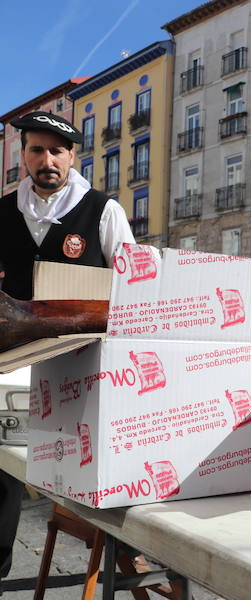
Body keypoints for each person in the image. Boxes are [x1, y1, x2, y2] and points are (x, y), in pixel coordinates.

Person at [0, 111, 134, 596]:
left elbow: (132, 285)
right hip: (10, 368)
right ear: (24, 157)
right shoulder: (2, 211)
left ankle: (126, 548)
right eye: (37, 150)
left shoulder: (103, 210)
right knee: (3, 473)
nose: (47, 160)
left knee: (85, 461)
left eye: (57, 151)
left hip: (81, 364)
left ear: (73, 156)